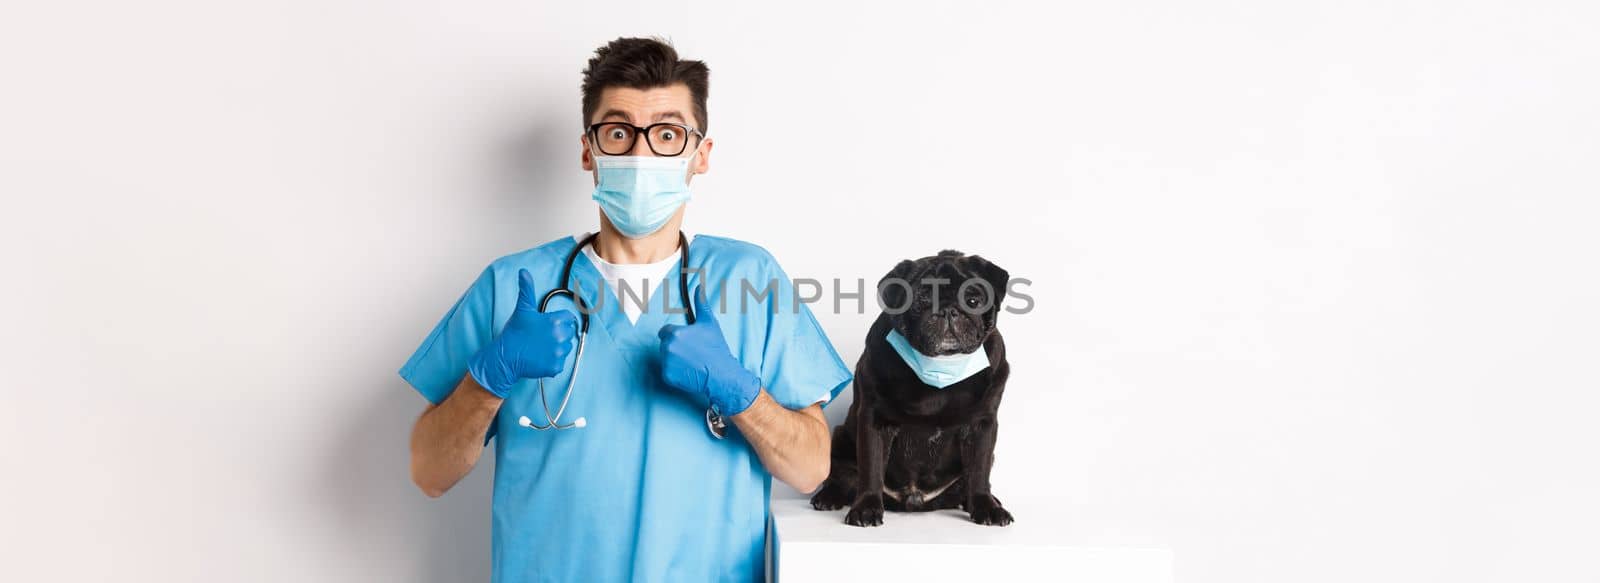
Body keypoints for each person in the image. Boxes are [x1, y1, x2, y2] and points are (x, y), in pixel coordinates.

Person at [400, 37, 852, 582]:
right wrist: (489, 378)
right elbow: (428, 472)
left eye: (667, 134)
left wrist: (742, 394)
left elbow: (810, 470)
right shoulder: (514, 285)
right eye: (618, 132)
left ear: (700, 155)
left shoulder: (750, 281)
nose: (640, 155)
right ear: (588, 150)